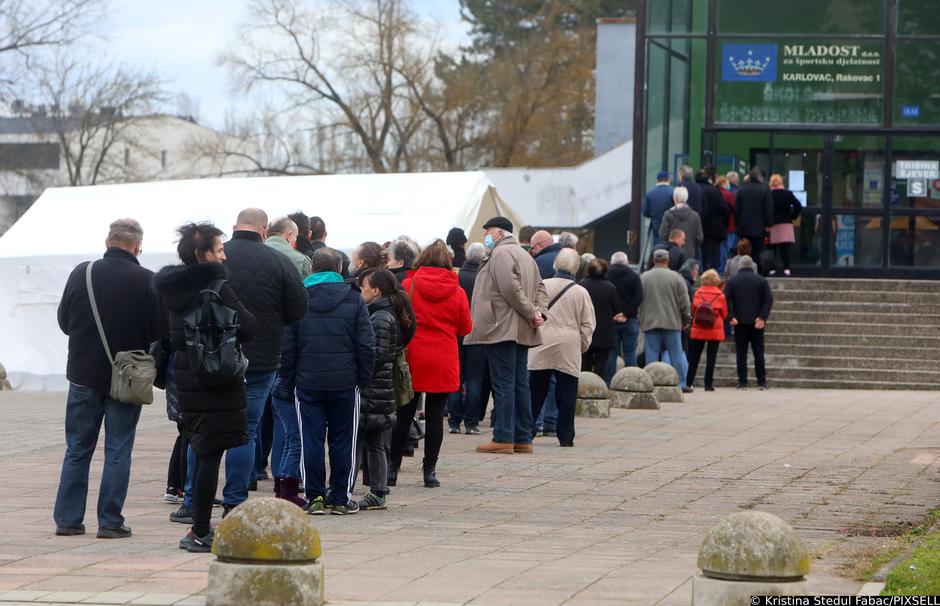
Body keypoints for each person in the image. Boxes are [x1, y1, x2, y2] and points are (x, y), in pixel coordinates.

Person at [54, 218, 164, 539]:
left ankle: (68, 520)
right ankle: (110, 520)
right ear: (137, 246)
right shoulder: (148, 281)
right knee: (118, 449)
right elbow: (159, 330)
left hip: (83, 373)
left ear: (107, 242)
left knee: (77, 448)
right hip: (128, 378)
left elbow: (64, 320)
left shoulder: (82, 273)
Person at [154, 223, 257, 552]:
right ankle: (200, 530)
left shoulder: (171, 289)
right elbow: (249, 328)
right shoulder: (217, 287)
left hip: (187, 375)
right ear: (202, 254)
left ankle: (197, 525)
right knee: (211, 454)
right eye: (218, 249)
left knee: (202, 447)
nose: (224, 254)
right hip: (217, 377)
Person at [205, 208, 306, 518]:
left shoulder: (215, 259)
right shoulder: (279, 261)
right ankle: (234, 499)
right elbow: (299, 307)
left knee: (203, 430)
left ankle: (194, 499)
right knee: (246, 429)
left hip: (213, 356)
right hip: (262, 358)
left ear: (234, 227)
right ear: (264, 231)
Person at [280, 248, 375, 515]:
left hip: (307, 382)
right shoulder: (354, 299)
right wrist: (363, 379)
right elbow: (366, 344)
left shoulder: (300, 300)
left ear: (312, 270)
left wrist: (288, 381)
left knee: (310, 439)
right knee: (344, 440)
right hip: (345, 382)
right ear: (340, 269)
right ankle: (341, 497)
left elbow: (288, 347)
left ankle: (315, 496)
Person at [391, 240, 471, 486]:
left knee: (404, 413)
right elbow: (465, 327)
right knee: (436, 415)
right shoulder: (457, 291)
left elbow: (399, 319)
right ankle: (429, 471)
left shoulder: (409, 285)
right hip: (443, 357)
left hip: (414, 355)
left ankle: (392, 469)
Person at [466, 217, 547, 455]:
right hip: (520, 326)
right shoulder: (525, 255)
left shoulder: (501, 254)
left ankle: (503, 437)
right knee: (520, 383)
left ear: (500, 233)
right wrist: (538, 312)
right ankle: (523, 437)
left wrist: (532, 311)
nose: (486, 237)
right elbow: (541, 288)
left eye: (488, 232)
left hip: (502, 326)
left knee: (504, 383)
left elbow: (510, 288)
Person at [355, 268, 411, 510]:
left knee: (359, 442)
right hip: (381, 389)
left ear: (375, 290)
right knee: (375, 442)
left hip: (373, 390)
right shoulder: (386, 313)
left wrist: (357, 372)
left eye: (364, 285)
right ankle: (378, 490)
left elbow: (376, 355)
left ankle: (347, 489)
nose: (360, 290)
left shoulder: (379, 317)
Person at [528, 249, 595, 447]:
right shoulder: (581, 292)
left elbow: (532, 312)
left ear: (556, 264)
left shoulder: (543, 286)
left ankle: (527, 431)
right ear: (576, 268)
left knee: (535, 392)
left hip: (542, 342)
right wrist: (581, 345)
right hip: (569, 343)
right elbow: (588, 324)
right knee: (566, 393)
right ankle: (566, 436)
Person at [639, 249, 692, 392]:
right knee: (676, 354)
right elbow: (684, 301)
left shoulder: (644, 277)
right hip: (672, 321)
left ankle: (651, 382)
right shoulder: (676, 277)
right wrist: (686, 318)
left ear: (653, 260)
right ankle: (680, 383)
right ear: (668, 261)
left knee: (652, 354)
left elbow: (638, 299)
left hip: (650, 321)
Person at [449, 242, 487, 435]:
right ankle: (471, 423)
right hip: (478, 334)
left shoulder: (457, 277)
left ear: (466, 257)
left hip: (457, 333)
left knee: (456, 377)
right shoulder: (485, 278)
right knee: (474, 379)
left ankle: (454, 421)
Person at [725, 255, 773, 390]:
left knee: (741, 353)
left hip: (739, 321)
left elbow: (725, 299)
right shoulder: (761, 280)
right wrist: (762, 316)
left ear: (739, 266)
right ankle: (762, 381)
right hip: (757, 322)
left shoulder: (732, 281)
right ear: (752, 266)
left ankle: (742, 382)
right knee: (758, 352)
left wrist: (730, 316)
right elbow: (768, 299)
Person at [578, 259, 624, 385]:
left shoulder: (581, 285)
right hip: (604, 331)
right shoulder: (610, 287)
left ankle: (582, 387)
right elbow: (617, 310)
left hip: (585, 330)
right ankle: (599, 387)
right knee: (601, 364)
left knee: (584, 362)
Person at [686, 269, 727, 392]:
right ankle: (708, 384)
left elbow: (694, 310)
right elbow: (724, 314)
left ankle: (689, 382)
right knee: (711, 357)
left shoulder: (698, 293)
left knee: (694, 357)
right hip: (715, 329)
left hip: (699, 328)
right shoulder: (720, 295)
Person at [734, 167, 774, 273]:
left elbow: (737, 208)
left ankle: (744, 270)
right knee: (759, 251)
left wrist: (737, 224)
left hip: (744, 226)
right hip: (759, 227)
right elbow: (768, 209)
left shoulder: (742, 189)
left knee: (745, 250)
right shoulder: (765, 189)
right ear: (760, 177)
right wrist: (768, 224)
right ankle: (759, 272)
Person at [607, 252, 643, 368]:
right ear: (627, 262)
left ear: (611, 262)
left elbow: (605, 297)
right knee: (630, 352)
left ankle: (609, 381)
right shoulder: (634, 276)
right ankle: (631, 381)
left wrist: (614, 313)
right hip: (630, 319)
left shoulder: (606, 276)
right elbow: (638, 297)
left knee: (611, 353)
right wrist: (626, 314)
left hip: (611, 320)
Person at [768, 174, 803, 277]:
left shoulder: (769, 195)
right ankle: (787, 269)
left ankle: (772, 270)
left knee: (772, 248)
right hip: (786, 222)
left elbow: (766, 209)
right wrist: (792, 216)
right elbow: (798, 206)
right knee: (785, 248)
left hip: (772, 223)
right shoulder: (788, 194)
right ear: (781, 183)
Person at [697, 169, 730, 271]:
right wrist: (724, 224)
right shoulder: (714, 190)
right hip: (714, 227)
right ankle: (712, 271)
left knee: (701, 250)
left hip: (700, 225)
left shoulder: (696, 188)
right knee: (713, 252)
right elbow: (723, 208)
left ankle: (701, 270)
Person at [660, 187, 703, 260]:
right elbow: (699, 238)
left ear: (675, 198)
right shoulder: (695, 216)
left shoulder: (668, 214)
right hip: (689, 255)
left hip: (671, 255)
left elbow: (663, 236)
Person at [642, 171, 675, 247]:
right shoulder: (674, 191)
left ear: (657, 180)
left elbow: (645, 212)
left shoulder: (650, 193)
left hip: (656, 228)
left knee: (658, 253)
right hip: (672, 228)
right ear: (668, 179)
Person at [716, 176, 738, 271]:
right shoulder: (729, 195)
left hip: (718, 225)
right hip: (729, 224)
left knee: (720, 246)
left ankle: (719, 267)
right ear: (724, 184)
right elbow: (735, 209)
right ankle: (723, 267)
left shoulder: (716, 193)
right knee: (726, 247)